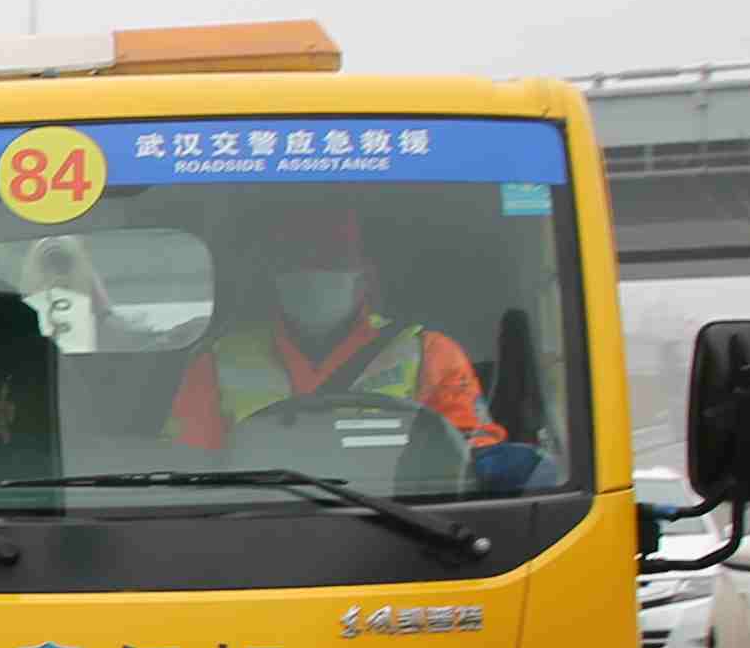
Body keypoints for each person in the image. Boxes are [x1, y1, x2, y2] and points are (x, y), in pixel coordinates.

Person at [167, 184, 506, 457]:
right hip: (259, 522)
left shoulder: (430, 353)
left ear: (364, 275)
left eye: (332, 260)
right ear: (272, 276)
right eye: (297, 260)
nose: (314, 274)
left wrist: (497, 463)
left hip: (401, 520)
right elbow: (189, 469)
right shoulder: (218, 362)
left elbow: (472, 454)